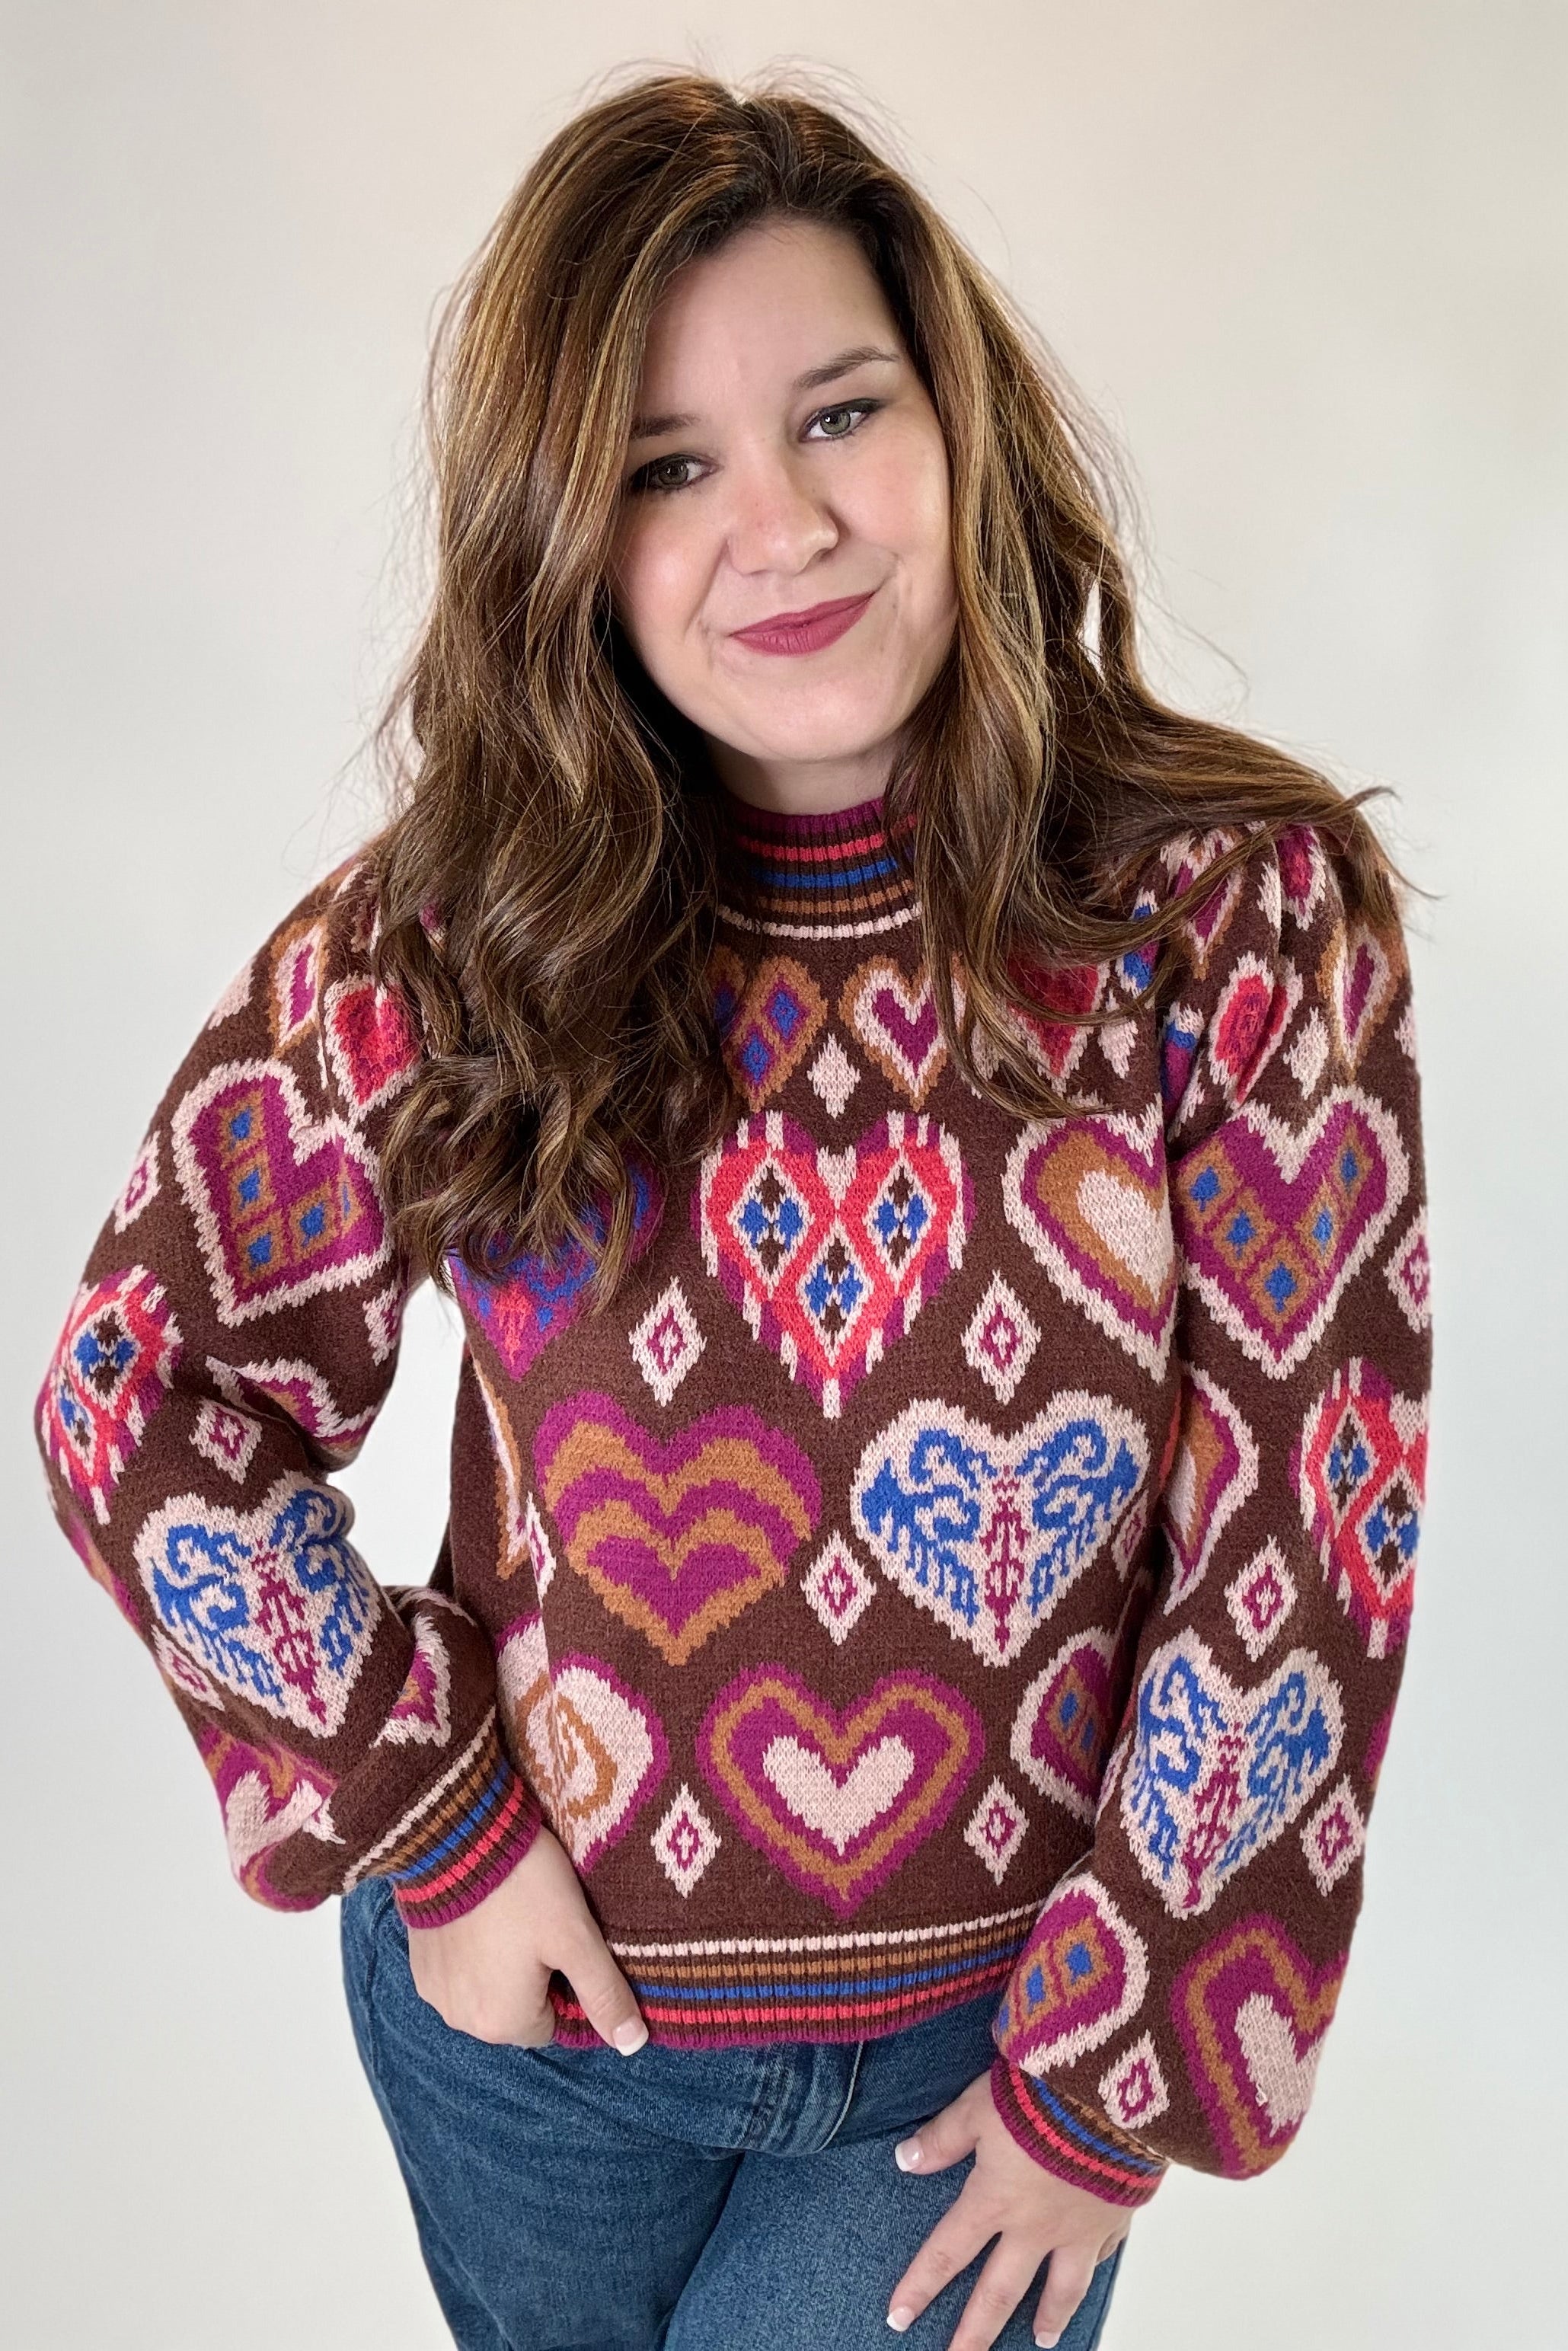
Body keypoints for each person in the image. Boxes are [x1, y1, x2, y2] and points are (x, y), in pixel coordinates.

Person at [34, 67, 1432, 2351]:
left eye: (838, 414)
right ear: (565, 539)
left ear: (957, 426)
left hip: (981, 2069)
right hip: (534, 2043)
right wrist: (434, 1818)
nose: (777, 524)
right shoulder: (448, 943)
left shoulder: (1235, 914)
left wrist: (1120, 2070)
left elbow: (1306, 1504)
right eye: (663, 468)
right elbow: (138, 1395)